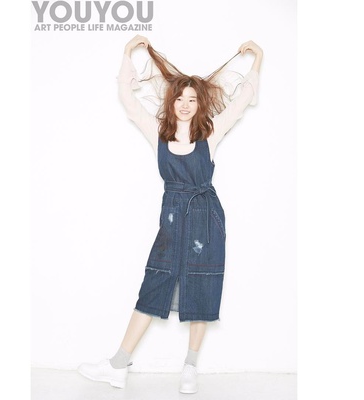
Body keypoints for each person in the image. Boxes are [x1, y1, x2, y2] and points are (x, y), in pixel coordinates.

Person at [78, 35, 263, 394]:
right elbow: (128, 99)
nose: (185, 104)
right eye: (180, 98)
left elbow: (242, 100)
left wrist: (259, 58)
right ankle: (118, 364)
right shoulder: (158, 133)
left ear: (199, 103)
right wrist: (127, 52)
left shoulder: (211, 133)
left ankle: (190, 368)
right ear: (172, 101)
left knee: (203, 284)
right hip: (173, 218)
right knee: (155, 280)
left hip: (205, 218)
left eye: (192, 99)